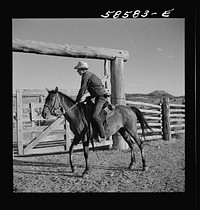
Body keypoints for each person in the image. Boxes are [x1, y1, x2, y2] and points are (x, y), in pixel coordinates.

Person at [74, 61, 108, 141]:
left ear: (82, 69)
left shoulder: (86, 76)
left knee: (95, 115)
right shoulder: (88, 75)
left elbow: (82, 89)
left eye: (78, 69)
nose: (77, 71)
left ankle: (102, 135)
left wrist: (77, 100)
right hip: (97, 96)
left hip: (101, 97)